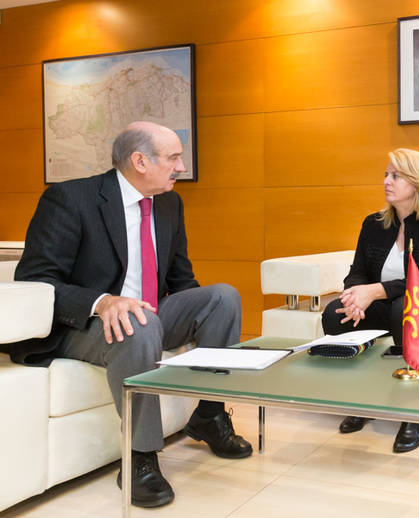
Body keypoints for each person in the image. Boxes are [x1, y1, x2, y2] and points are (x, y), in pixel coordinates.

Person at [12, 121, 252, 508]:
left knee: (222, 297)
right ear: (140, 161)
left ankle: (210, 415)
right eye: (174, 157)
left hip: (150, 314)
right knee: (138, 324)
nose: (180, 165)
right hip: (84, 324)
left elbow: (181, 278)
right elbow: (35, 280)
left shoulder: (170, 203)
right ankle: (140, 457)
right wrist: (102, 301)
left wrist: (201, 325)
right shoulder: (71, 199)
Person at [321, 148, 419, 453]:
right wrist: (355, 297)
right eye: (386, 174)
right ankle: (359, 400)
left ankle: (412, 412)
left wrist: (375, 292)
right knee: (335, 314)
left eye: (396, 175)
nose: (386, 181)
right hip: (386, 304)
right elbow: (357, 272)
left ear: (417, 181)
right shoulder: (373, 223)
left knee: (403, 309)